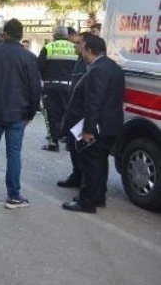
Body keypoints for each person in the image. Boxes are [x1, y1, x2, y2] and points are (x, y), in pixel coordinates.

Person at [0, 18, 41, 209]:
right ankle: (13, 196)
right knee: (14, 155)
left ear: (5, 33)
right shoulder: (28, 57)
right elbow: (34, 88)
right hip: (17, 114)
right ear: (21, 35)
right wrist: (31, 112)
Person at [60, 34, 124, 213]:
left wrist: (88, 130)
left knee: (91, 165)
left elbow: (94, 103)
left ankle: (86, 202)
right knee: (100, 164)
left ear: (89, 50)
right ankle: (97, 197)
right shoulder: (113, 67)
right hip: (110, 126)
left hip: (97, 128)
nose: (81, 52)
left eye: (83, 48)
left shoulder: (97, 70)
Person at [57, 31, 90, 189]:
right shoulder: (79, 61)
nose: (75, 45)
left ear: (86, 46)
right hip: (73, 111)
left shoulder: (88, 64)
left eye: (78, 43)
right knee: (73, 146)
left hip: (81, 114)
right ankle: (76, 175)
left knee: (82, 149)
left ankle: (84, 180)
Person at [37, 26, 76, 152]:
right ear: (67, 36)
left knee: (50, 114)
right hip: (69, 86)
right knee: (68, 113)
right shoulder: (74, 48)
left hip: (51, 86)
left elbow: (38, 67)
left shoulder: (48, 47)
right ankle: (69, 141)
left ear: (54, 36)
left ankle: (53, 142)